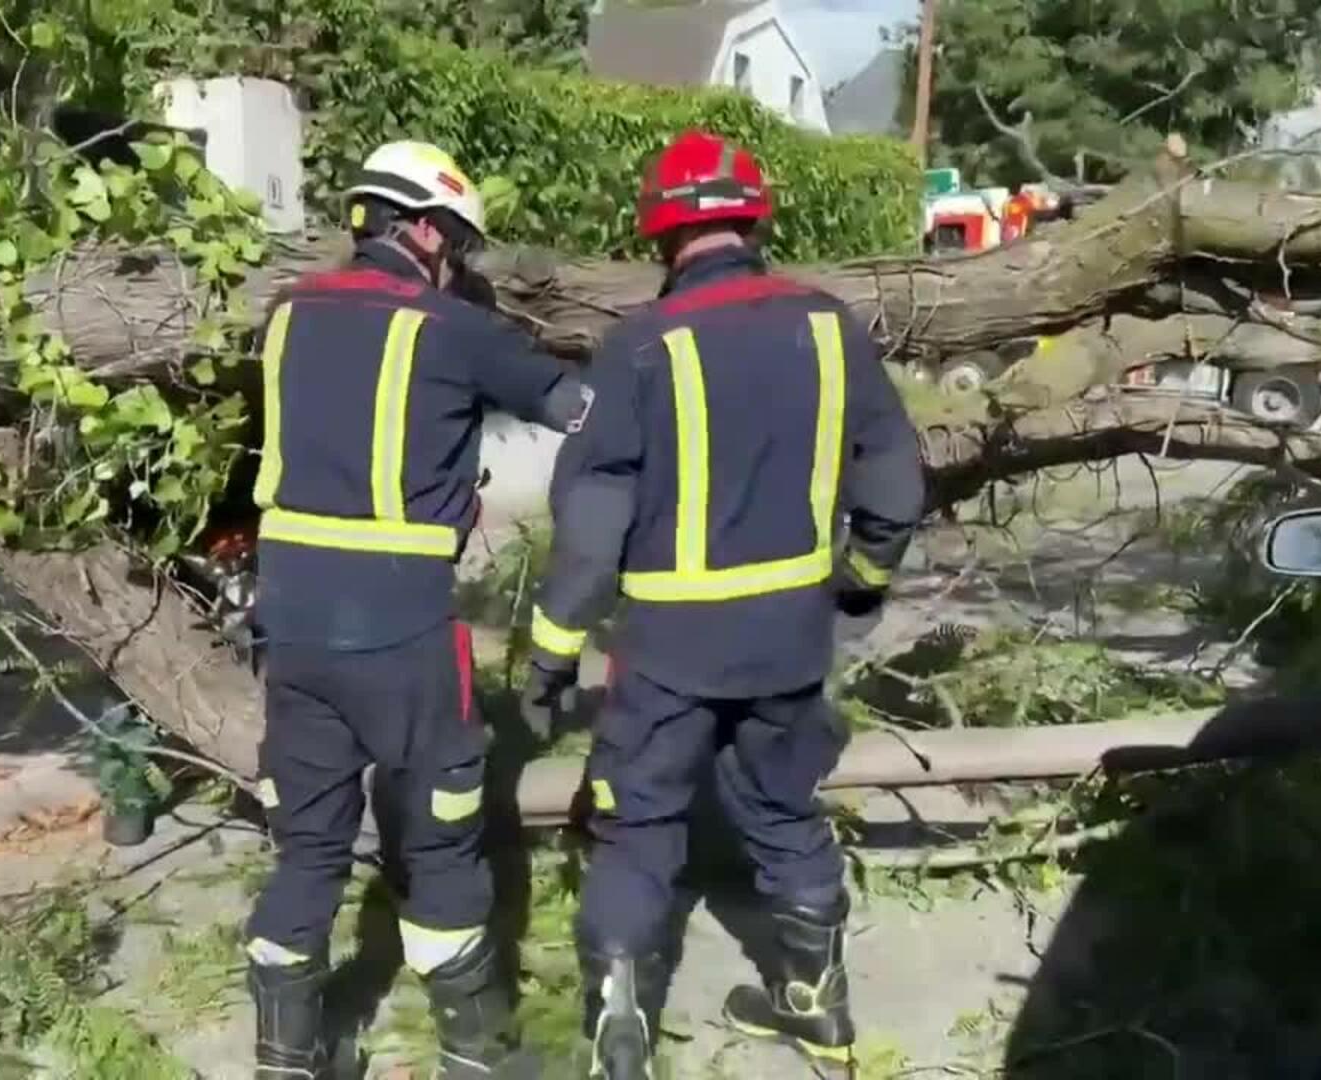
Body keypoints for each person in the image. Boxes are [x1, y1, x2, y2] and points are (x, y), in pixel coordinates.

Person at [518, 130, 926, 1078]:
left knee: (638, 826)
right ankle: (819, 1009)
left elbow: (591, 522)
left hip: (665, 648)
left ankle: (620, 1038)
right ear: (754, 216)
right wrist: (861, 586)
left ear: (660, 234)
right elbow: (895, 482)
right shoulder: (828, 326)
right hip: (790, 636)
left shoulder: (639, 348)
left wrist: (550, 652)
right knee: (785, 811)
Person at [243, 140, 585, 1079]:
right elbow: (579, 410)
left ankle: (287, 1058)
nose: (460, 267)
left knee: (306, 850)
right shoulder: (451, 328)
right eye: (458, 248)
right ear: (425, 228)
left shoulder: (285, 315)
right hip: (402, 629)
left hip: (293, 625)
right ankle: (476, 1057)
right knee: (440, 842)